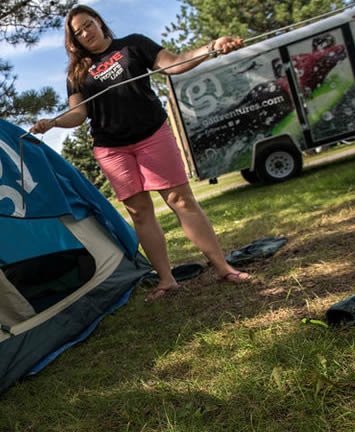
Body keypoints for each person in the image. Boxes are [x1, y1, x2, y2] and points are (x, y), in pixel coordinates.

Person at [31, 5, 250, 301]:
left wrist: (212, 46)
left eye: (87, 25)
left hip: (151, 135)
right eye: (77, 32)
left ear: (99, 22)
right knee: (140, 213)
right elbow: (78, 113)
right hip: (111, 148)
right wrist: (55, 121)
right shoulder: (77, 72)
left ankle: (223, 267)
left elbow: (174, 64)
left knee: (180, 200)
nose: (85, 33)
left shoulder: (134, 44)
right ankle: (166, 280)